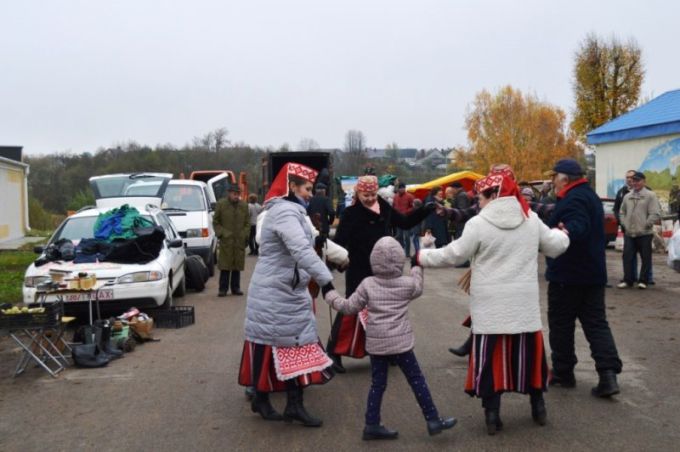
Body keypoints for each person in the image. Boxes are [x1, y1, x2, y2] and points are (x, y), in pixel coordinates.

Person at [416, 169, 569, 435]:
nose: (479, 203)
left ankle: (492, 415)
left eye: (482, 197)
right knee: (529, 359)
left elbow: (454, 254)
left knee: (492, 362)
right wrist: (564, 233)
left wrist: (422, 257)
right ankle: (538, 406)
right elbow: (555, 246)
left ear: (493, 194)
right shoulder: (530, 219)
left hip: (490, 306)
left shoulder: (479, 224)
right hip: (523, 306)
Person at [238, 162, 345, 427]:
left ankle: (267, 401)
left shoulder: (292, 210)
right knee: (290, 343)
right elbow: (301, 250)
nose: (311, 193)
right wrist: (327, 282)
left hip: (285, 290)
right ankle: (288, 405)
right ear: (292, 187)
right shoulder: (285, 212)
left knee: (281, 343)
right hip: (276, 293)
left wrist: (335, 254)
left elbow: (307, 245)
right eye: (307, 188)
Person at [321, 237, 456, 440]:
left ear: (373, 260)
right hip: (401, 344)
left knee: (378, 384)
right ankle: (433, 419)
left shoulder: (368, 284)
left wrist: (328, 292)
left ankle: (371, 424)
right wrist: (417, 264)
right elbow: (418, 285)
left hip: (376, 345)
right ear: (399, 260)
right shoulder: (407, 284)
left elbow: (348, 307)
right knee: (417, 380)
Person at [327, 175, 435, 373]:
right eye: (365, 194)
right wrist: (335, 261)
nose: (369, 198)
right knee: (350, 311)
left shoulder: (383, 207)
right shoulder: (350, 213)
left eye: (372, 194)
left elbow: (404, 222)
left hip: (384, 270)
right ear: (358, 193)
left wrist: (424, 211)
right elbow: (339, 242)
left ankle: (390, 352)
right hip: (358, 268)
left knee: (384, 311)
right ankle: (333, 352)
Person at [545, 158, 623, 398]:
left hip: (568, 274)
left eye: (554, 177)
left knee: (561, 324)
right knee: (596, 324)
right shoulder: (588, 195)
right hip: (592, 273)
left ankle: (563, 373)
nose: (552, 182)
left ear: (564, 179)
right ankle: (608, 375)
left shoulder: (574, 199)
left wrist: (563, 233)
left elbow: (576, 225)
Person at [618, 171, 661, 289]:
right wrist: (624, 223)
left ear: (644, 181)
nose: (635, 183)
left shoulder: (650, 195)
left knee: (645, 258)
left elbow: (655, 213)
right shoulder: (627, 196)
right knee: (627, 257)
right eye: (634, 181)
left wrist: (646, 224)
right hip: (629, 233)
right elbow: (622, 212)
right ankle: (628, 280)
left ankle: (643, 281)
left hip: (644, 233)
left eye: (638, 181)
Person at [213, 184, 249, 296]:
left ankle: (236, 288)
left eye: (238, 193)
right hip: (226, 240)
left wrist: (244, 234)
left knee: (236, 266)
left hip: (239, 240)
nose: (236, 195)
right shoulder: (221, 204)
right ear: (229, 193)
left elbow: (247, 223)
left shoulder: (244, 205)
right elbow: (216, 222)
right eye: (234, 193)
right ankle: (222, 289)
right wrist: (223, 234)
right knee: (225, 266)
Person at [392, 183, 416, 256]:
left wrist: (406, 212)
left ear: (405, 188)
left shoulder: (410, 196)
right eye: (400, 188)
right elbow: (393, 206)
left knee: (407, 236)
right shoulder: (395, 197)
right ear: (398, 189)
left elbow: (414, 207)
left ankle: (407, 253)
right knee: (399, 236)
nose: (401, 189)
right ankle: (401, 251)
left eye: (403, 188)